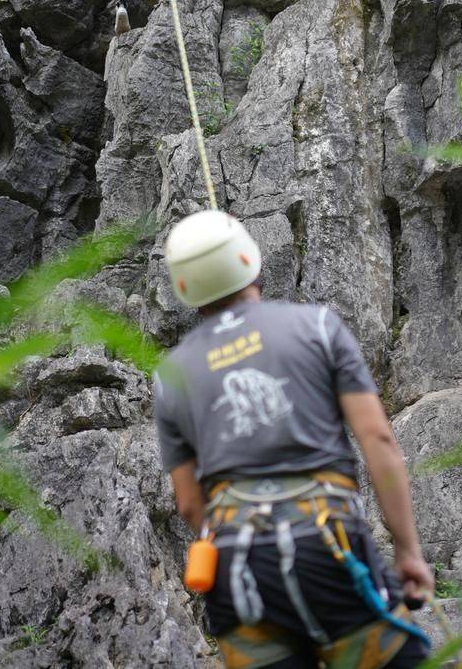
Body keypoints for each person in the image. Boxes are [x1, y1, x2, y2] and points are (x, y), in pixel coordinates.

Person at [154, 210, 434, 669]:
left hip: (237, 575)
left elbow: (188, 505)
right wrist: (408, 552)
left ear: (184, 289)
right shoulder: (318, 327)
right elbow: (378, 441)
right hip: (327, 546)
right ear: (252, 261)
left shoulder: (170, 377)